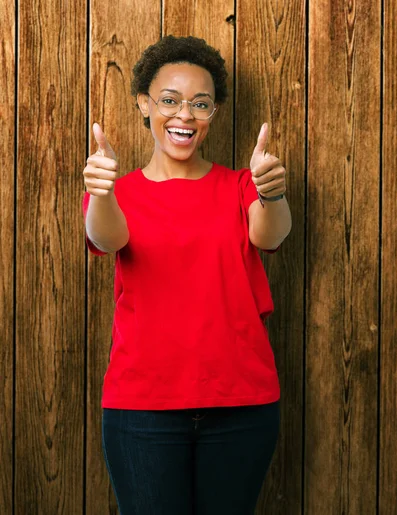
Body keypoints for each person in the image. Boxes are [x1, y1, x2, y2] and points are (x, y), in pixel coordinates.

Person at [81, 35, 292, 514]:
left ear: (214, 112)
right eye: (169, 101)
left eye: (200, 103)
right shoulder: (119, 191)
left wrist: (272, 192)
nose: (184, 115)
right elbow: (107, 237)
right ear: (144, 103)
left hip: (241, 403)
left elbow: (270, 235)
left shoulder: (239, 185)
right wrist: (101, 191)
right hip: (141, 409)